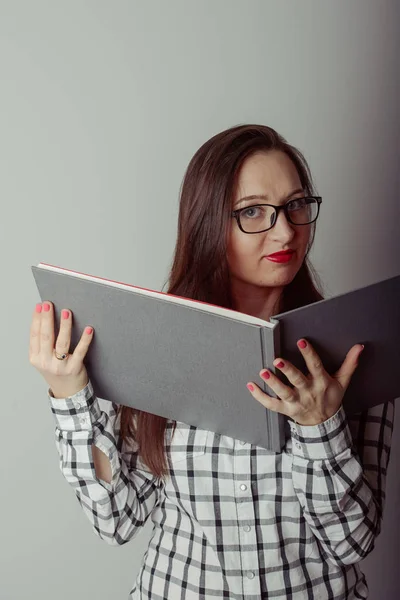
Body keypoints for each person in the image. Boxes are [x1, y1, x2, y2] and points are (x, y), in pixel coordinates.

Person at [29, 124, 395, 599]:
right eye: (253, 212)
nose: (285, 230)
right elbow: (116, 519)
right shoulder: (158, 340)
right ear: (208, 224)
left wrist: (319, 426)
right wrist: (70, 398)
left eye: (296, 205)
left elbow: (352, 541)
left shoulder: (350, 349)